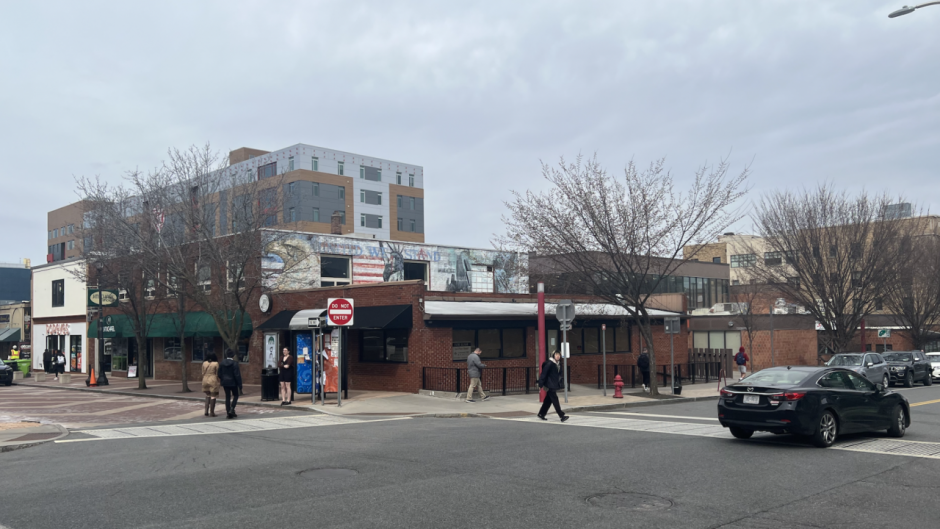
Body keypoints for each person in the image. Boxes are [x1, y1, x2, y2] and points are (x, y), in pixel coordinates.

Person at [537, 350, 569, 422]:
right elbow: (543, 374)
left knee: (548, 400)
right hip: (549, 384)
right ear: (553, 355)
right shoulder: (549, 363)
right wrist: (540, 384)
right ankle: (561, 415)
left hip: (553, 384)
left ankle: (541, 413)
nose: (558, 356)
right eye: (556, 354)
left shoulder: (557, 364)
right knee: (555, 399)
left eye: (559, 355)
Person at [218, 350, 243, 419]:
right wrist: (240, 384)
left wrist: (222, 378)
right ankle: (232, 408)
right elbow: (237, 375)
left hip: (225, 382)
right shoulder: (234, 363)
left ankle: (228, 412)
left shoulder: (222, 363)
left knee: (227, 397)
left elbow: (219, 373)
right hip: (233, 382)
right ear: (233, 356)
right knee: (236, 395)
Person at [201, 352, 221, 417]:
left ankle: (206, 411)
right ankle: (212, 412)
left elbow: (202, 372)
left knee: (207, 395)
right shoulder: (216, 363)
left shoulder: (204, 363)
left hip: (205, 379)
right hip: (213, 379)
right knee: (213, 395)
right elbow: (217, 373)